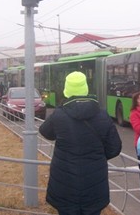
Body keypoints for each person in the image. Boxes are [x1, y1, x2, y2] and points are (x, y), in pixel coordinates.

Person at [39, 71, 122, 215]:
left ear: (66, 90)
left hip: (64, 181)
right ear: (86, 89)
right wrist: (96, 156)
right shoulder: (102, 114)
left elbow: (45, 131)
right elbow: (115, 147)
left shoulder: (59, 114)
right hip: (94, 181)